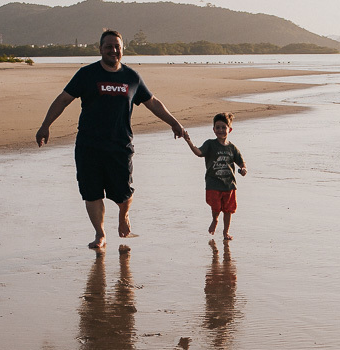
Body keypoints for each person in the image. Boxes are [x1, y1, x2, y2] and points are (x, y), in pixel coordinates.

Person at [35, 29, 187, 251]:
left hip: (120, 146)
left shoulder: (131, 77)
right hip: (89, 146)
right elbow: (63, 99)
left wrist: (174, 122)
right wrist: (45, 125)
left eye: (117, 47)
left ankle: (123, 215)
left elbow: (152, 102)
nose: (113, 50)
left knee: (124, 194)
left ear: (122, 49)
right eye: (109, 46)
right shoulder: (86, 74)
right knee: (92, 192)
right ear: (100, 49)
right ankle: (100, 234)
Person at [183, 112, 247, 240]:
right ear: (213, 129)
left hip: (229, 185)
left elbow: (241, 161)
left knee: (228, 210)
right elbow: (199, 152)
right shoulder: (210, 144)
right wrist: (189, 141)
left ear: (230, 129)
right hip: (213, 183)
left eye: (224, 127)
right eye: (217, 127)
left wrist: (243, 168)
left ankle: (226, 232)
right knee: (216, 207)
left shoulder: (232, 148)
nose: (221, 130)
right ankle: (215, 219)